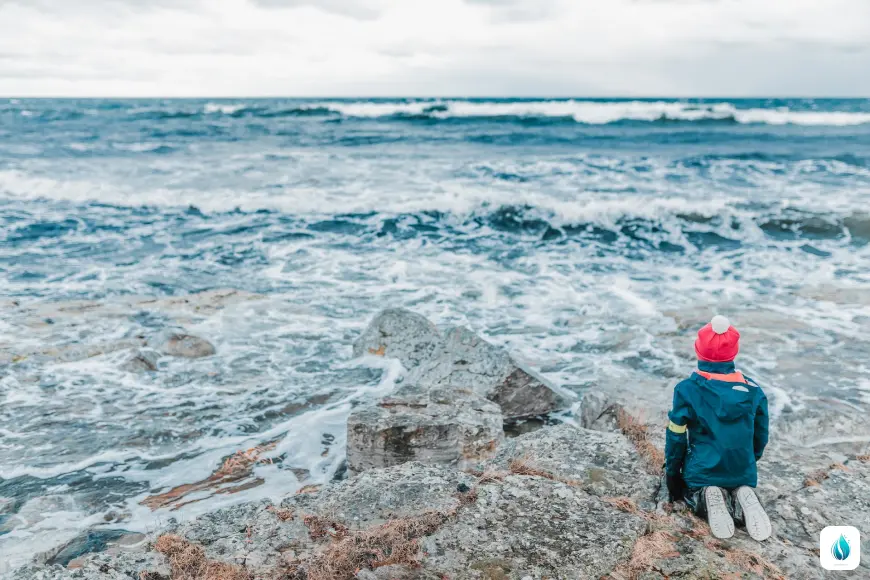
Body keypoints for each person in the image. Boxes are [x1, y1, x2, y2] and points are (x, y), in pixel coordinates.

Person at [664, 315, 772, 541]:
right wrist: (750, 460)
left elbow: (676, 436)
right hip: (742, 468)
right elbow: (761, 436)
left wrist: (673, 474)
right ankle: (743, 494)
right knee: (739, 484)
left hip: (703, 470)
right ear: (734, 352)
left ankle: (705, 496)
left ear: (698, 351)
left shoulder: (686, 390)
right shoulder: (754, 390)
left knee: (690, 491)